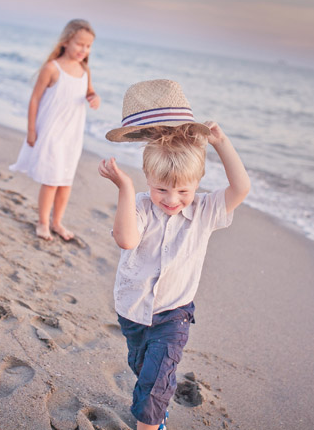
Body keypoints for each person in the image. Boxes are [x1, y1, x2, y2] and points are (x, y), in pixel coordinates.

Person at [98, 80, 250, 430]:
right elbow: (125, 240)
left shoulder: (205, 210)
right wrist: (125, 188)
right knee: (142, 368)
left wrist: (222, 143)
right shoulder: (139, 205)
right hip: (133, 309)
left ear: (197, 183)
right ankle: (158, 400)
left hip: (174, 314)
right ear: (147, 178)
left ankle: (152, 421)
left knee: (154, 381)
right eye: (161, 189)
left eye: (183, 190)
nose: (171, 198)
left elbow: (241, 188)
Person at [9, 19, 100, 241]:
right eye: (80, 44)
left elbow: (89, 91)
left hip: (72, 135)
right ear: (67, 41)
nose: (83, 50)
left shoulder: (84, 69)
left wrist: (94, 97)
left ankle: (57, 222)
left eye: (88, 46)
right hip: (51, 132)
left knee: (65, 181)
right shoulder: (52, 68)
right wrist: (31, 130)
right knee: (51, 180)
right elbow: (34, 99)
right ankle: (42, 222)